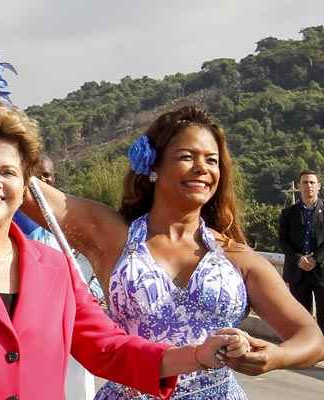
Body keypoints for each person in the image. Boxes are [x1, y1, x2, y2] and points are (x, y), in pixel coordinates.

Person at [0, 102, 240, 400]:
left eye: (9, 173)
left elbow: (109, 348)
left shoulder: (54, 267)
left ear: (25, 184)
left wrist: (196, 356)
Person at [21, 105, 324, 399]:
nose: (202, 168)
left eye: (212, 160)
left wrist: (276, 356)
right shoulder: (113, 236)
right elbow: (20, 182)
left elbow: (312, 337)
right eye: (186, 156)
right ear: (153, 166)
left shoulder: (236, 257)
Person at [279, 170, 324, 333]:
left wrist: (315, 259)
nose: (309, 186)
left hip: (321, 271)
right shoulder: (288, 213)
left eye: (312, 182)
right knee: (301, 317)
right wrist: (298, 259)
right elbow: (282, 241)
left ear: (318, 186)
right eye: (305, 182)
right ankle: (305, 351)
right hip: (297, 272)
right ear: (299, 187)